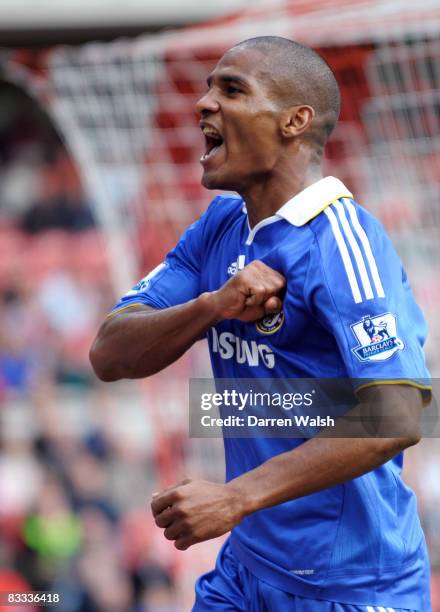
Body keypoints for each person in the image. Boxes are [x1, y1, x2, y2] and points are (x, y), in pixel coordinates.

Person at [90, 37, 432, 611]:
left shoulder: (343, 240)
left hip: (349, 585)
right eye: (207, 88)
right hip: (245, 571)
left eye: (231, 89)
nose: (203, 104)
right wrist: (211, 307)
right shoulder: (220, 226)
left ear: (295, 121)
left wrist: (234, 498)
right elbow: (109, 353)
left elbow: (398, 417)